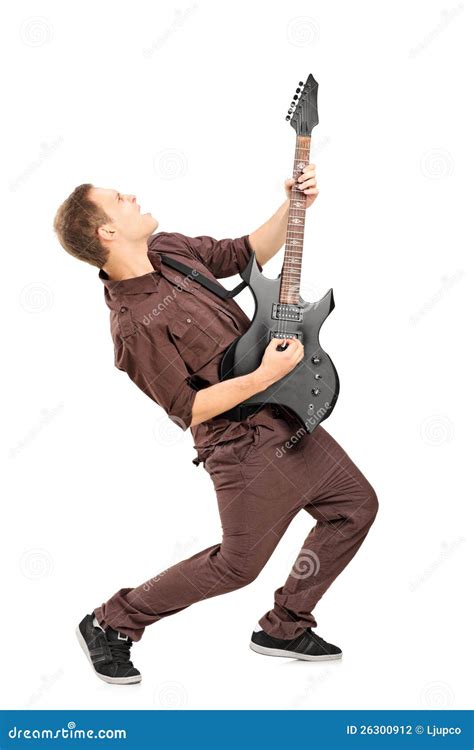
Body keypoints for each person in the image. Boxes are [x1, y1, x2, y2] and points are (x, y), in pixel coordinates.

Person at [53, 165, 378, 685]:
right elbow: (189, 407)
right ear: (106, 232)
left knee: (354, 506)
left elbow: (243, 251)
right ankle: (111, 620)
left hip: (284, 412)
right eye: (119, 198)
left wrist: (295, 206)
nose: (132, 194)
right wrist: (267, 374)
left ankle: (285, 626)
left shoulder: (169, 248)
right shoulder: (133, 326)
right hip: (239, 444)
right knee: (237, 566)